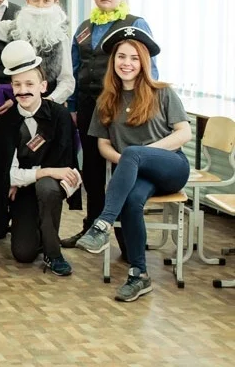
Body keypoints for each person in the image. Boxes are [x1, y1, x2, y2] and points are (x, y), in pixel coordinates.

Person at [74, 27, 191, 302]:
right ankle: (139, 274)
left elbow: (184, 133)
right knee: (131, 201)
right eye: (121, 57)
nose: (127, 63)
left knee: (133, 154)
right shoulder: (106, 100)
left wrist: (139, 155)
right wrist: (128, 159)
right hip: (136, 175)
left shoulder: (162, 92)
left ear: (144, 63)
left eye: (134, 58)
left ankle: (102, 224)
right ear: (113, 61)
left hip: (171, 168)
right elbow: (103, 145)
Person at [64, 0, 158, 248]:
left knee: (123, 170)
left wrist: (145, 105)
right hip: (88, 107)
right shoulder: (84, 27)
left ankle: (127, 237)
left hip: (123, 106)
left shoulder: (135, 24)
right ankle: (92, 228)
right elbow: (75, 69)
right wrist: (72, 107)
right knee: (92, 171)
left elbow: (150, 69)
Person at [0, 41, 80, 276]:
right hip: (24, 190)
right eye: (17, 84)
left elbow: (63, 168)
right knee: (23, 253)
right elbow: (6, 173)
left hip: (53, 187)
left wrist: (30, 177)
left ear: (43, 86)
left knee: (47, 188)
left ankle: (53, 253)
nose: (23, 90)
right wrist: (42, 172)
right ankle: (37, 230)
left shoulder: (59, 116)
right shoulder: (7, 121)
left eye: (30, 84)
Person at [0, 0, 74, 104]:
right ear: (27, 0)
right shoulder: (14, 28)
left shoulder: (61, 37)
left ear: (56, 3)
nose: (40, 6)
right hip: (16, 100)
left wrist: (49, 101)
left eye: (46, 1)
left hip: (49, 102)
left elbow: (67, 81)